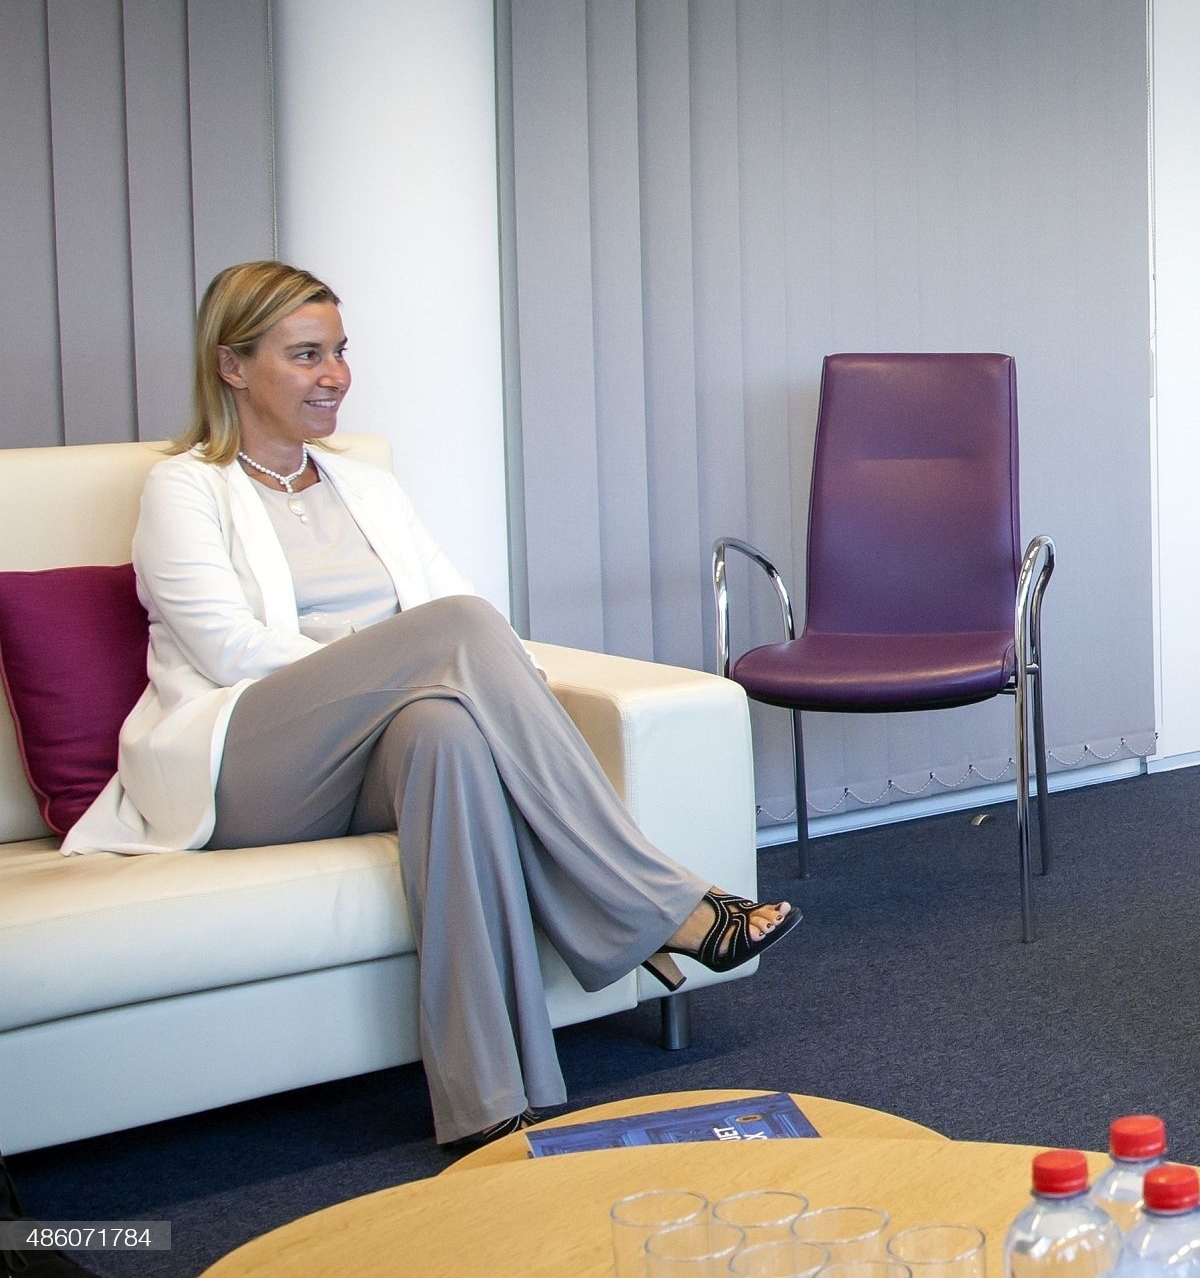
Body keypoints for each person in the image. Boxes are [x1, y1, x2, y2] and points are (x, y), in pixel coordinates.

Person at [63, 261, 801, 1148]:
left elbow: (457, 614)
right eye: (306, 355)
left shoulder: (367, 486)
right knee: (450, 639)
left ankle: (488, 1104)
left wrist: (455, 679)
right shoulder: (185, 487)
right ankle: (657, 901)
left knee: (444, 732)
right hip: (246, 762)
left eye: (339, 351)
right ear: (232, 365)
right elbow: (230, 651)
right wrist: (391, 658)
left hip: (367, 753)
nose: (335, 375)